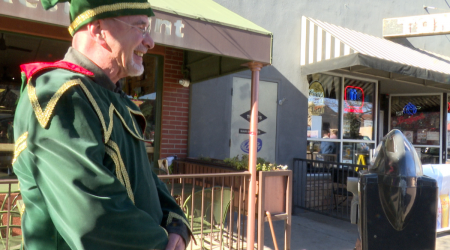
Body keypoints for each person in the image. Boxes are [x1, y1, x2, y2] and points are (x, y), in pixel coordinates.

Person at [12, 0, 190, 249]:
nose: (150, 42)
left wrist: (176, 226)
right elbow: (92, 220)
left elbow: (146, 180)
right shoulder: (59, 94)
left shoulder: (114, 98)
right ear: (97, 29)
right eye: (140, 27)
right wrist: (161, 243)